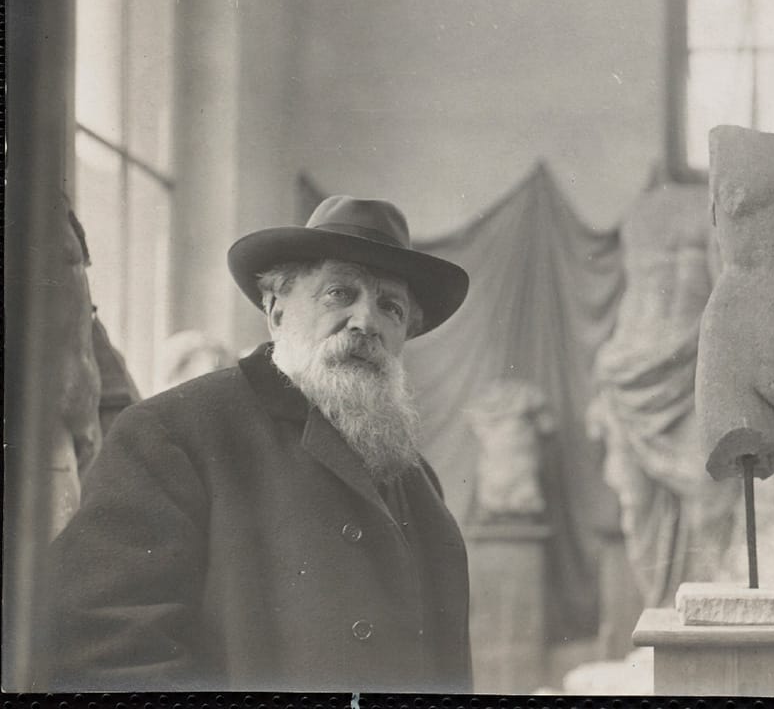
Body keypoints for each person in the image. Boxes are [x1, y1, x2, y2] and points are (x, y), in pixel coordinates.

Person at [42, 196, 473, 692]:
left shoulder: (416, 480)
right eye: (339, 293)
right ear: (276, 310)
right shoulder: (173, 432)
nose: (365, 322)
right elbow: (102, 649)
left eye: (390, 307)